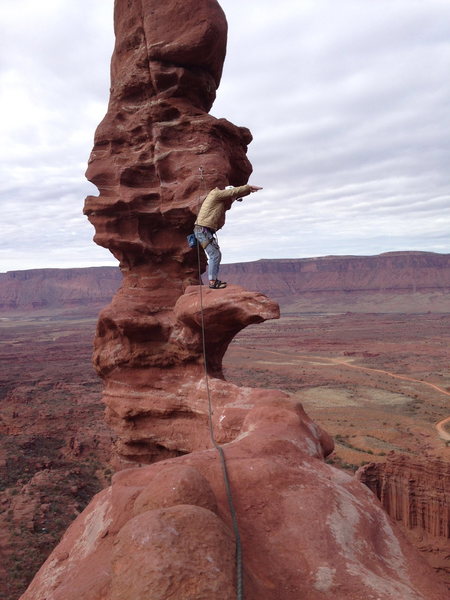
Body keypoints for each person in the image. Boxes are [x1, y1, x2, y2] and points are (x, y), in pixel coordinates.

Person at [194, 183, 263, 289]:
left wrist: (247, 192)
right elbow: (232, 192)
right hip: (202, 230)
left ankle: (214, 280)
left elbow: (234, 193)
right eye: (232, 198)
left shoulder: (219, 199)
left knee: (217, 254)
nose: (232, 200)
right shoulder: (216, 194)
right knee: (214, 255)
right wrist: (248, 187)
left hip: (204, 230)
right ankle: (212, 282)